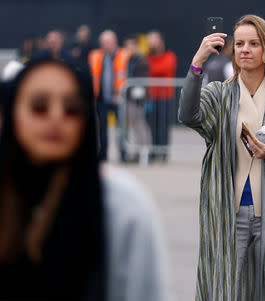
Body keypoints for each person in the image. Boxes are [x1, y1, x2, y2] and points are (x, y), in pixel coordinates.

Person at [0, 58, 169, 301]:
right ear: (13, 112)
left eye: (72, 108)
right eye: (39, 106)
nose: (56, 117)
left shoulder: (121, 205)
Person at [179, 14, 265, 300]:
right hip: (229, 212)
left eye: (253, 43)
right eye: (239, 43)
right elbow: (188, 116)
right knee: (226, 289)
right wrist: (197, 64)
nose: (244, 49)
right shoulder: (219, 94)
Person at [88, 30, 128, 161]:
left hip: (119, 99)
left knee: (121, 128)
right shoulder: (96, 56)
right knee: (102, 129)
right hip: (102, 99)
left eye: (108, 42)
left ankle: (123, 153)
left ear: (115, 42)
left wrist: (121, 94)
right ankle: (103, 154)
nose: (106, 45)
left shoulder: (124, 55)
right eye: (103, 42)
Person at [146, 30, 177, 162]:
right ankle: (153, 151)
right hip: (152, 96)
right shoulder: (147, 57)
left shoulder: (170, 56)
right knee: (152, 126)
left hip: (165, 96)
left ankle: (163, 152)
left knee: (163, 126)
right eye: (150, 41)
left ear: (161, 42)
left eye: (154, 40)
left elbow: (162, 69)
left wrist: (151, 69)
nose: (151, 44)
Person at [122, 35, 150, 162]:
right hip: (129, 97)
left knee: (140, 125)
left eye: (130, 46)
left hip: (137, 99)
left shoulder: (141, 61)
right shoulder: (128, 60)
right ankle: (137, 152)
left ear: (136, 46)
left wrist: (139, 97)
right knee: (134, 126)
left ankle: (144, 152)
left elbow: (141, 81)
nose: (129, 49)